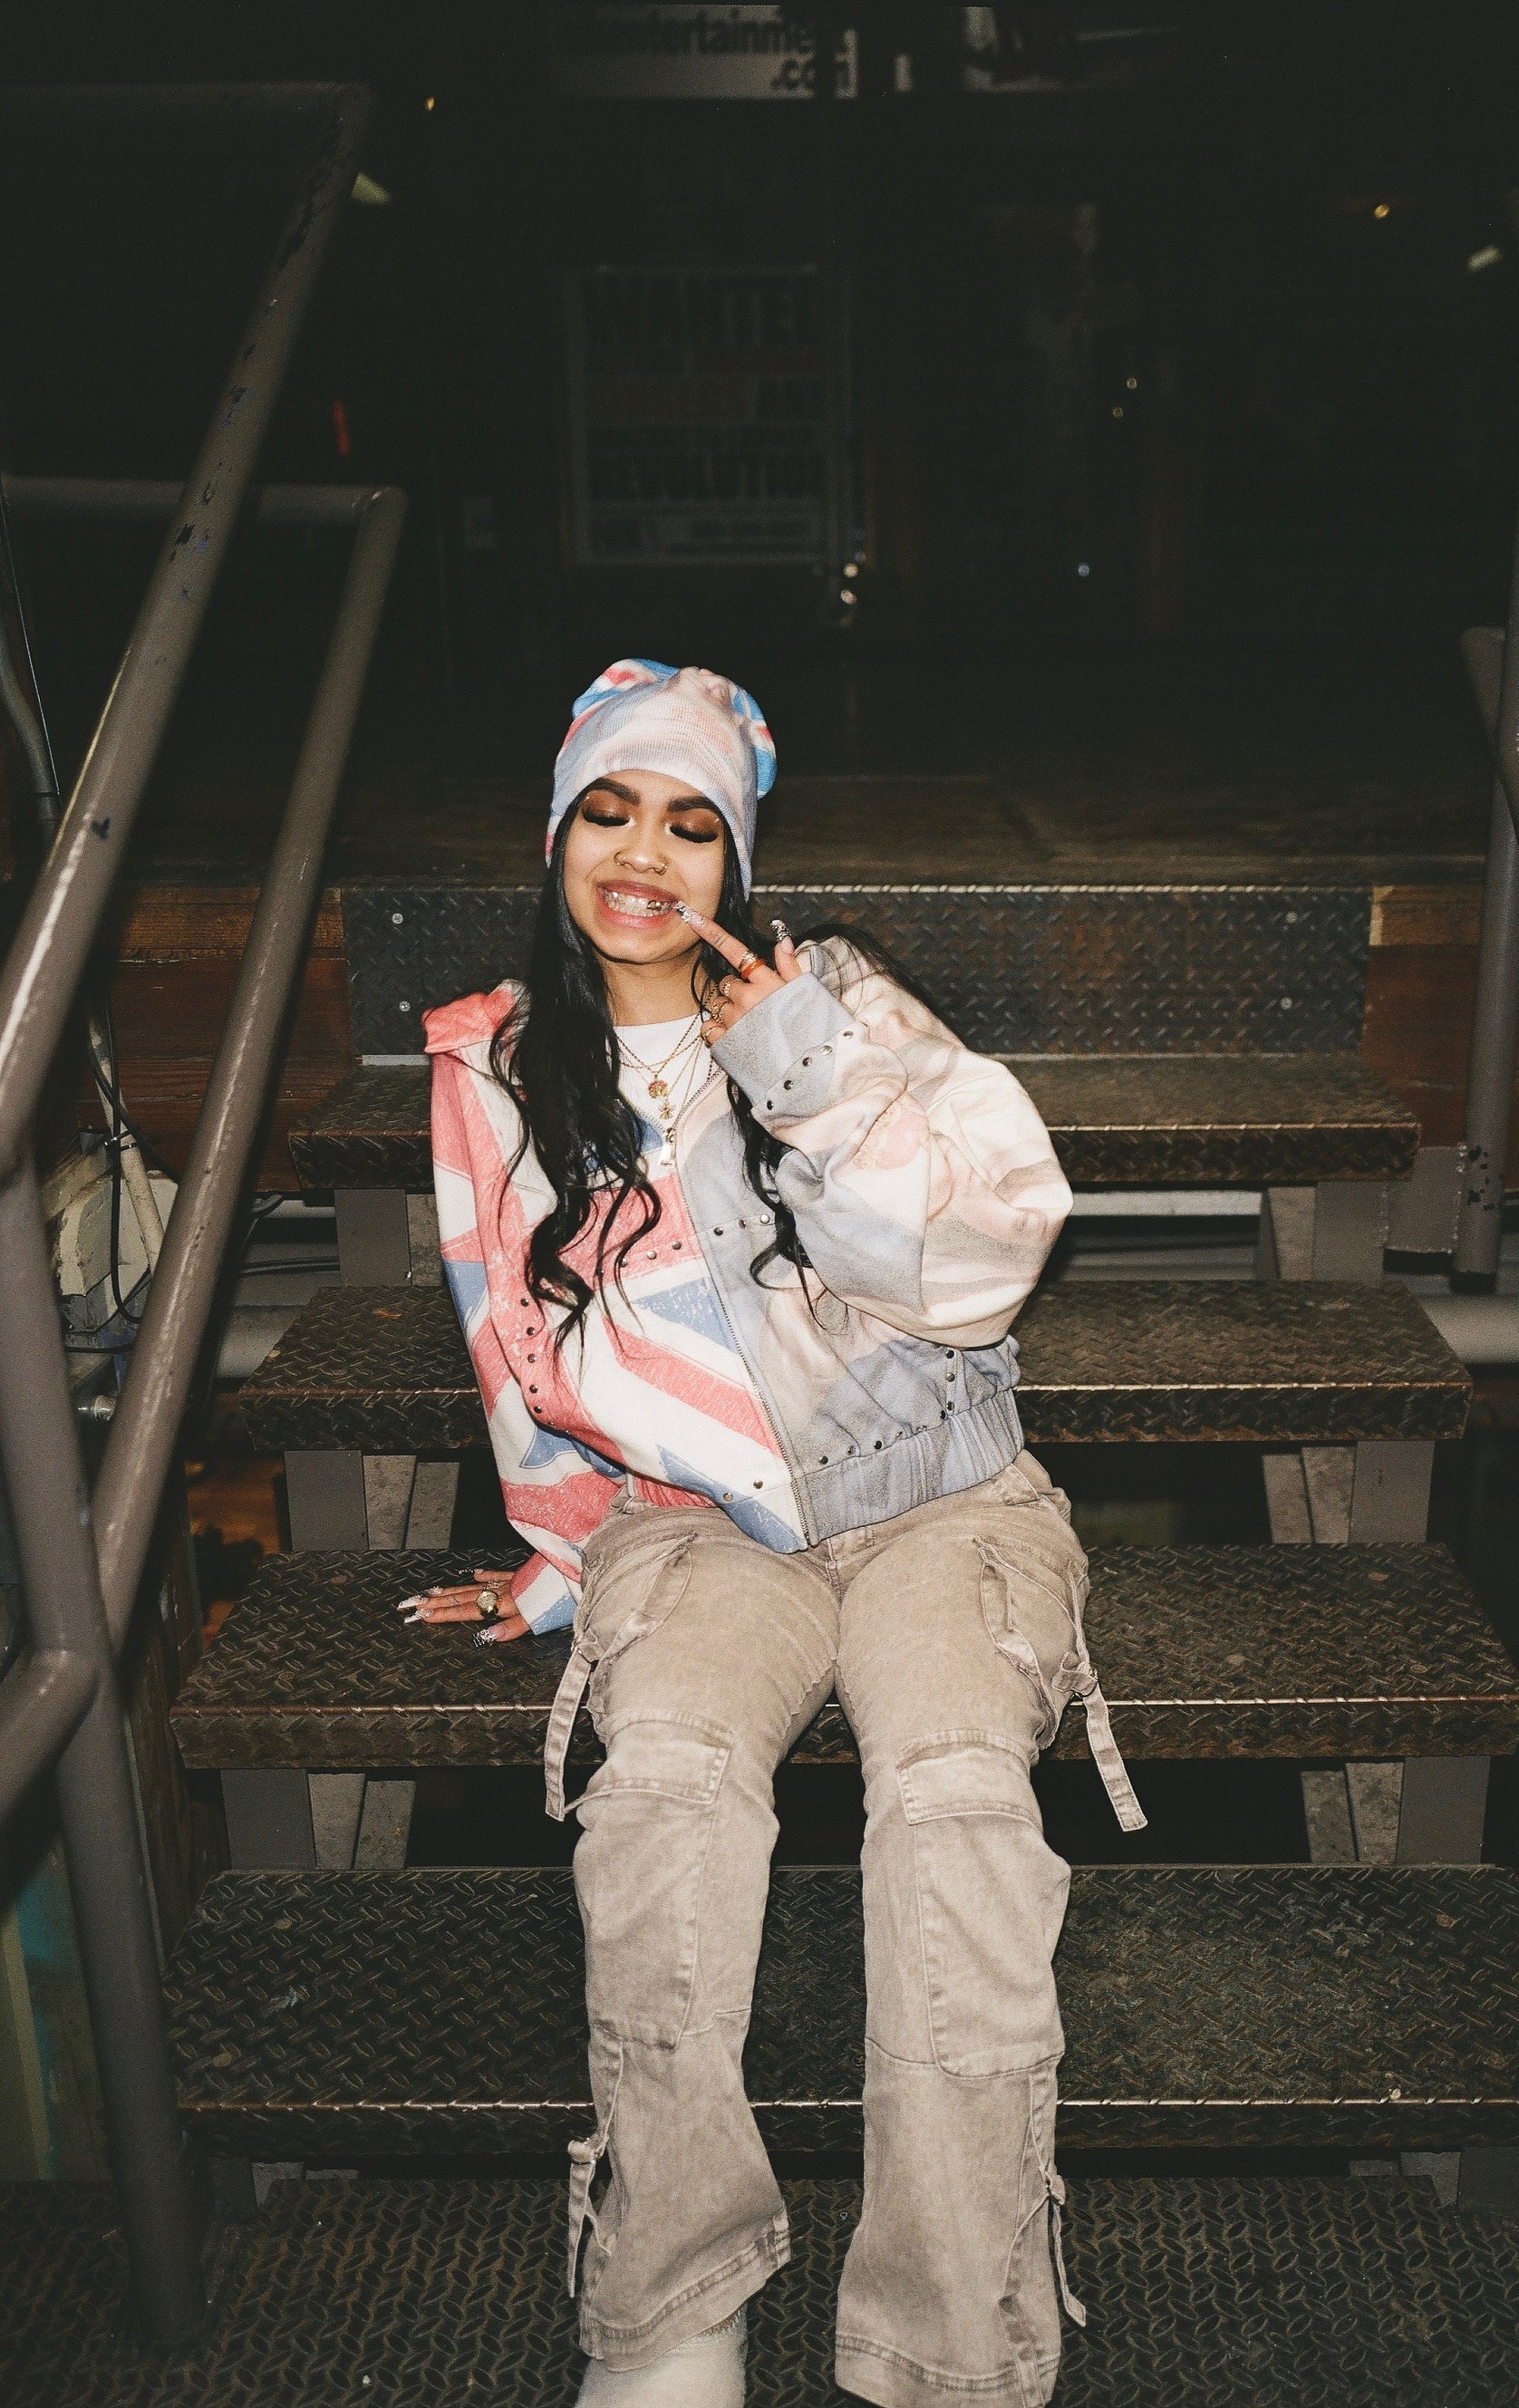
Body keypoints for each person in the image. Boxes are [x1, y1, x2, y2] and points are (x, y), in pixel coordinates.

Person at [401, 660, 1143, 2407]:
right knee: (658, 1796)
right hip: (695, 1525)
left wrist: (799, 1073)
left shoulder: (839, 1000)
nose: (641, 855)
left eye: (688, 824)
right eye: (607, 812)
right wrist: (560, 1552)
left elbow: (982, 1267)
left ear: (735, 859)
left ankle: (947, 2344)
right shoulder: (494, 1063)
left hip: (938, 1500)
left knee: (955, 1807)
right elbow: (509, 1336)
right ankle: (674, 2308)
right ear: (556, 835)